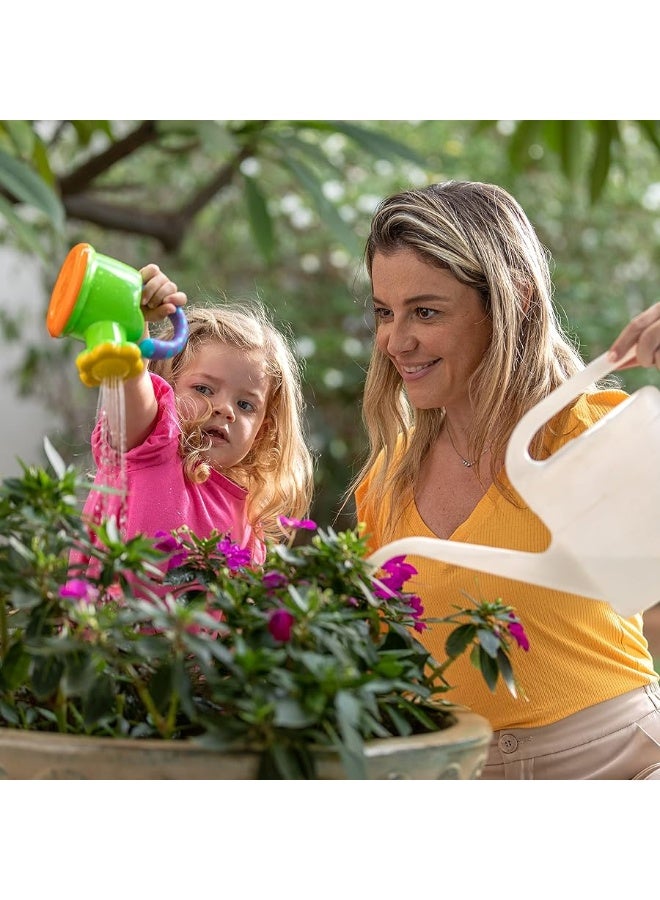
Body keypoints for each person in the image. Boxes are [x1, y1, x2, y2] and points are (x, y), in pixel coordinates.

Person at [349, 180, 660, 779]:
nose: (396, 340)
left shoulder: (585, 437)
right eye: (385, 312)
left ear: (511, 299)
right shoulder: (387, 483)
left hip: (622, 762)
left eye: (426, 311)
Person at [77, 264, 314, 571]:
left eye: (245, 405)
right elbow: (132, 377)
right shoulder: (153, 448)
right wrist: (136, 319)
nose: (225, 409)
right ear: (166, 390)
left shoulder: (247, 522)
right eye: (204, 389)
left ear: (262, 431)